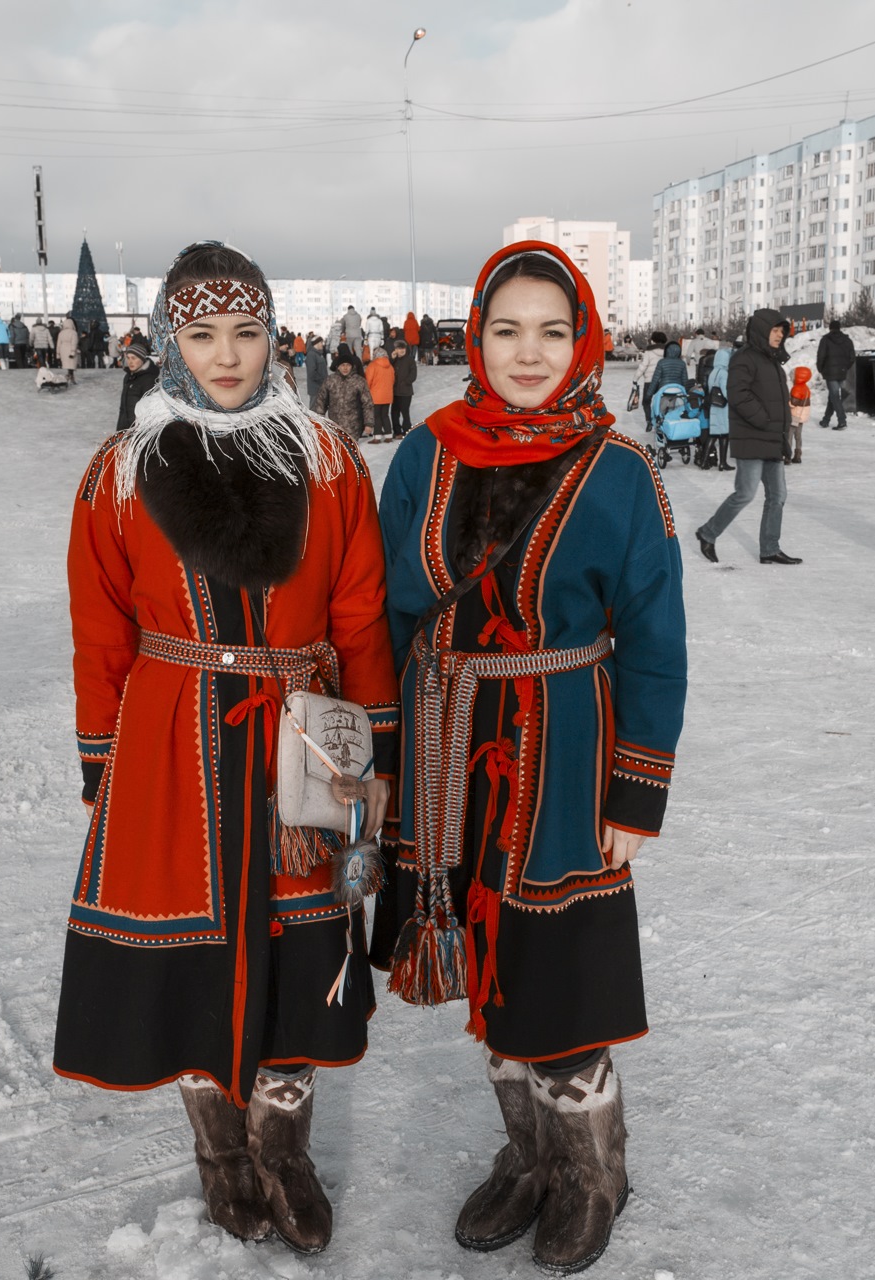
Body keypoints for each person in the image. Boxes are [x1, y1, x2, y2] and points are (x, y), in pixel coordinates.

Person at [54, 240, 396, 1256]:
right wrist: (99, 758)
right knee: (199, 949)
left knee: (298, 944)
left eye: (246, 332)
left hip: (302, 726)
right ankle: (221, 1154)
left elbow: (362, 612)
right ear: (170, 340)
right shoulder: (121, 471)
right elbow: (100, 627)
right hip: (172, 734)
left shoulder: (326, 458)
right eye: (202, 334)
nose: (228, 354)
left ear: (273, 334)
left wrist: (366, 752)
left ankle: (283, 1147)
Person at [372, 240, 685, 1274]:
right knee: (486, 972)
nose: (527, 351)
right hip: (444, 752)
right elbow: (386, 613)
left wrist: (635, 790)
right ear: (475, 336)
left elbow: (654, 637)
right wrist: (381, 755)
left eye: (552, 330)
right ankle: (529, 1153)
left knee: (556, 978)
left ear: (584, 339)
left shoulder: (622, 470)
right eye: (506, 329)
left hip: (562, 756)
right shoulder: (427, 451)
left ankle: (594, 1170)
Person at [696, 308, 800, 566]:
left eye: (781, 331)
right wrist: (763, 420)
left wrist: (781, 432)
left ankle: (769, 549)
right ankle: (708, 533)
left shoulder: (773, 360)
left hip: (773, 439)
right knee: (745, 493)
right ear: (762, 331)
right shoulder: (745, 358)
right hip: (753, 437)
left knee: (778, 496)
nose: (778, 336)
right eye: (774, 331)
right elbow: (738, 393)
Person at [313, 346, 369, 437]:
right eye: (342, 365)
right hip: (335, 426)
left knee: (350, 450)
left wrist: (368, 423)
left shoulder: (359, 381)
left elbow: (367, 403)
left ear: (352, 366)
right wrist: (319, 419)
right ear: (338, 367)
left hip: (354, 427)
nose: (345, 368)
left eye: (348, 365)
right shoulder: (330, 380)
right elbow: (321, 400)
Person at [815, 318, 854, 430]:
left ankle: (842, 421)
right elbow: (852, 358)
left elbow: (821, 356)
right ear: (839, 328)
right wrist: (845, 367)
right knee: (833, 396)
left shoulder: (825, 340)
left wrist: (821, 369)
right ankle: (825, 420)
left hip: (830, 372)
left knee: (835, 396)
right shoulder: (847, 340)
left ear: (830, 328)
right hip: (842, 372)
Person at [114, 339, 158, 431]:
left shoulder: (149, 379)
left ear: (142, 359)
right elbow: (123, 409)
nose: (130, 362)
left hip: (139, 431)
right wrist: (119, 431)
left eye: (134, 358)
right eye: (128, 358)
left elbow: (150, 412)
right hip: (125, 429)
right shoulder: (128, 377)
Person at [633, 330, 669, 430]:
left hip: (650, 381)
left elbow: (643, 366)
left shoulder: (648, 352)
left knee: (646, 401)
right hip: (663, 381)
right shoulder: (667, 351)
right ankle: (661, 420)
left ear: (653, 341)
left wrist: (635, 379)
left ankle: (649, 421)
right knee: (663, 401)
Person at [362, 346, 396, 441]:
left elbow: (368, 381)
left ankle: (377, 437)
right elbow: (393, 380)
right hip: (387, 396)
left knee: (376, 416)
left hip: (375, 396)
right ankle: (388, 436)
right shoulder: (390, 367)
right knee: (385, 415)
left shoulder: (372, 365)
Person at [787, 366, 812, 464]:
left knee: (789, 435)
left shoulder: (796, 388)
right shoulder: (806, 388)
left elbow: (793, 403)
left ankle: (787, 456)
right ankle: (798, 456)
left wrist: (786, 401)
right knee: (798, 436)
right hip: (802, 416)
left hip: (794, 415)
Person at [303, 334, 328, 407]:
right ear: (316, 344)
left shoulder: (319, 354)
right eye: (321, 342)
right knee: (314, 411)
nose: (322, 344)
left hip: (321, 388)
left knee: (320, 410)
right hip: (315, 389)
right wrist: (322, 380)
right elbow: (312, 373)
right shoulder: (311, 355)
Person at [57, 316, 81, 384]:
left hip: (63, 349)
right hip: (70, 349)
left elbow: (58, 344)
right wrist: (73, 352)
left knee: (67, 364)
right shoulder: (73, 333)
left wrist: (58, 354)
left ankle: (69, 375)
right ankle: (70, 376)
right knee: (71, 364)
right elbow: (74, 343)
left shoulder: (61, 333)